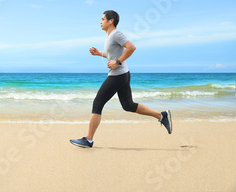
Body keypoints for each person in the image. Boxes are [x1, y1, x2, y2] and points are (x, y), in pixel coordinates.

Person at [70, 10, 172, 148]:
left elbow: (131, 47)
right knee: (128, 105)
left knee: (98, 103)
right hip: (122, 75)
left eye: (102, 19)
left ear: (111, 21)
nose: (100, 22)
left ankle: (88, 140)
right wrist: (99, 53)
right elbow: (113, 54)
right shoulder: (110, 36)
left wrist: (117, 62)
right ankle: (162, 116)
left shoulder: (116, 34)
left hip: (118, 76)